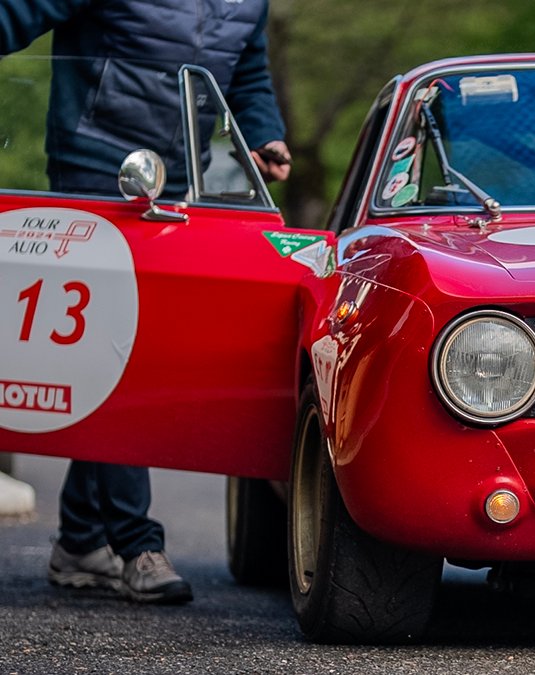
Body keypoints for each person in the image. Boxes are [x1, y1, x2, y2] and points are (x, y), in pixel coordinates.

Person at [0, 0, 291, 604]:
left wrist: (263, 132)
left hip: (176, 181)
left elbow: (248, 74)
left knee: (130, 354)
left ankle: (80, 539)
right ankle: (137, 544)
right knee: (117, 351)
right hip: (93, 167)